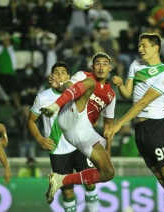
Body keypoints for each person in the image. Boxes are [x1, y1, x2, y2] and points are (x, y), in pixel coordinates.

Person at [104, 32, 164, 212]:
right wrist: (120, 85)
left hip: (156, 127)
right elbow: (128, 95)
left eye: (144, 46)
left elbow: (142, 103)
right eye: (139, 46)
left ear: (156, 48)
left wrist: (119, 124)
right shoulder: (135, 65)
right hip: (141, 129)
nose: (140, 49)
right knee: (162, 180)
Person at [39, 52, 116, 206]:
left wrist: (108, 150)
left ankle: (61, 180)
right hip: (69, 115)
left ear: (110, 68)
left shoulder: (111, 95)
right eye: (98, 63)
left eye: (105, 64)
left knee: (108, 172)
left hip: (83, 130)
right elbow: (68, 86)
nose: (101, 67)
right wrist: (61, 86)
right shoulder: (84, 76)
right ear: (92, 67)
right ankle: (55, 106)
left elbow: (108, 125)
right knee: (90, 83)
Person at [28, 62, 100, 211]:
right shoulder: (42, 98)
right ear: (51, 76)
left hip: (79, 145)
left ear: (68, 76)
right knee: (67, 191)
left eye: (63, 72)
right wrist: (40, 139)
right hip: (58, 151)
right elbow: (30, 121)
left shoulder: (76, 93)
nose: (60, 75)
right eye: (56, 72)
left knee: (90, 182)